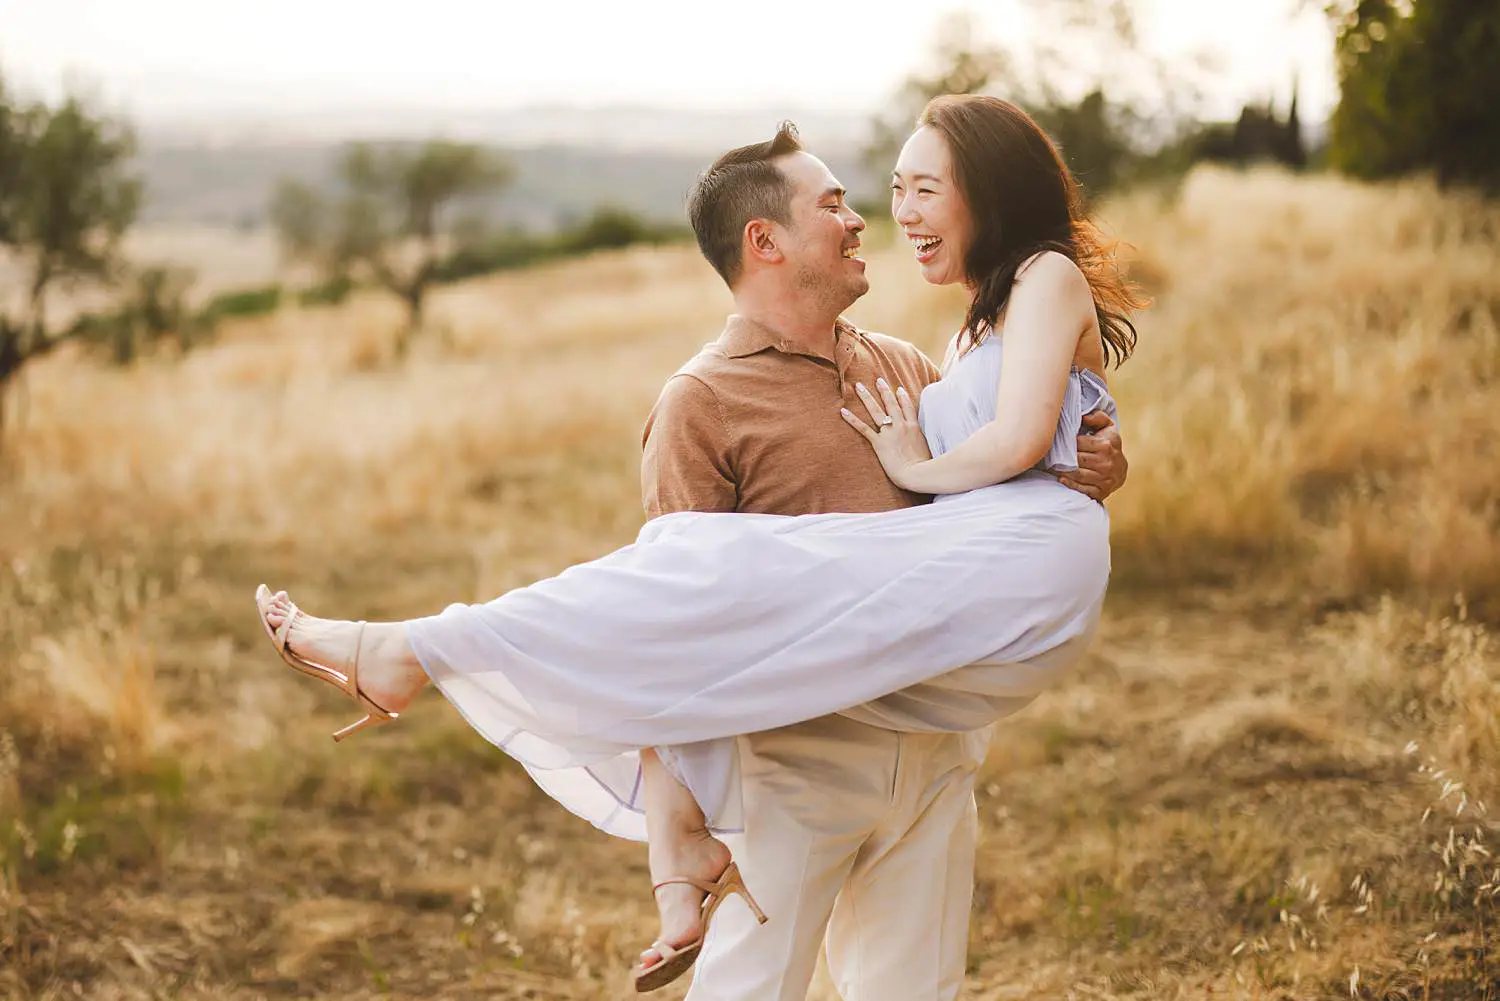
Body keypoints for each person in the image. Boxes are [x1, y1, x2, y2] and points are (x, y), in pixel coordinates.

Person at [254, 94, 1143, 999]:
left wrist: (1091, 460)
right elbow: (670, 618)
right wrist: (675, 849)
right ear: (766, 241)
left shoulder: (904, 364)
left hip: (936, 751)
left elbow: (1003, 489)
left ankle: (411, 650)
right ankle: (422, 647)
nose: (862, 219)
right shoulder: (702, 403)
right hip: (802, 761)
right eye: (834, 204)